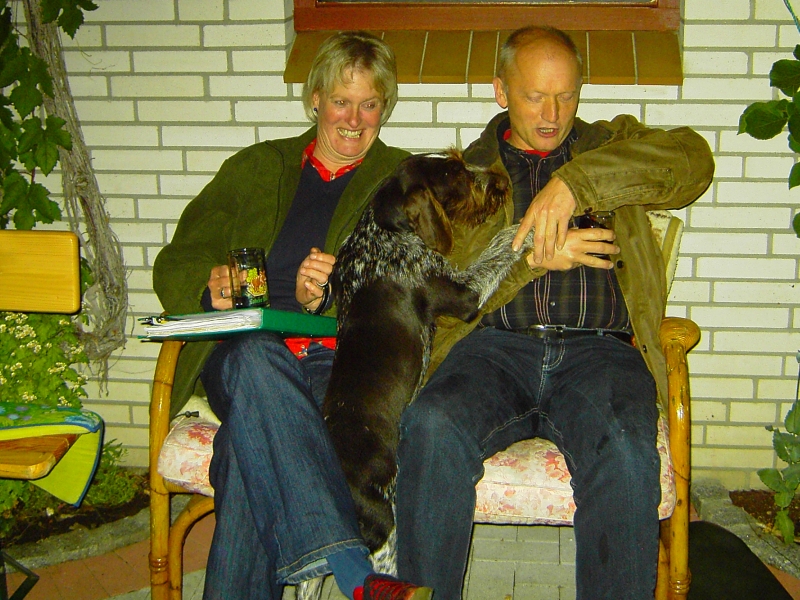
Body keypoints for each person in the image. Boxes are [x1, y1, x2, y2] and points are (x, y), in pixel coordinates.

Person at [394, 26, 714, 600]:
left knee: (624, 448)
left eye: (566, 96)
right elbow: (447, 291)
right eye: (535, 96)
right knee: (431, 425)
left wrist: (576, 183)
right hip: (492, 350)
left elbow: (694, 162)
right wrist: (534, 257)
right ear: (500, 91)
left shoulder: (608, 145)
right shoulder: (460, 177)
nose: (552, 114)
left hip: (600, 352)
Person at [153, 31, 432, 600]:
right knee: (259, 354)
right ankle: (352, 568)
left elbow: (413, 288)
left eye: (369, 104)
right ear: (315, 99)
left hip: (338, 363)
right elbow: (177, 258)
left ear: (384, 108)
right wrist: (210, 287)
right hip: (243, 355)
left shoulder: (401, 179)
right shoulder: (257, 167)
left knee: (244, 451)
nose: (354, 119)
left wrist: (328, 298)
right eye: (341, 101)